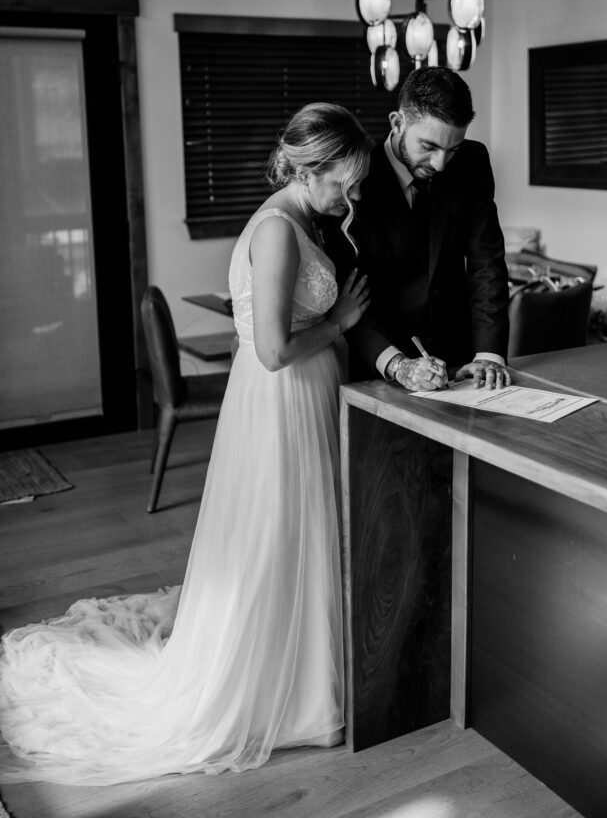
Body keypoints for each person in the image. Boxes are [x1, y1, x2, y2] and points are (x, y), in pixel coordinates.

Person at [0, 103, 372, 785]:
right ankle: (285, 690)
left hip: (299, 398)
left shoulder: (297, 220)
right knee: (280, 535)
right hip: (281, 399)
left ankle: (306, 676)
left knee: (295, 536)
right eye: (341, 184)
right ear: (304, 169)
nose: (348, 198)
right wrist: (342, 322)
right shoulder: (278, 232)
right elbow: (270, 350)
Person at [320, 67, 511, 393]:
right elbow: (346, 288)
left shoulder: (472, 162)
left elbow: (486, 262)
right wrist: (398, 365)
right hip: (380, 366)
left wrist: (489, 354)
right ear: (397, 123)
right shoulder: (354, 174)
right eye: (428, 146)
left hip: (461, 361)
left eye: (451, 150)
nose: (440, 164)